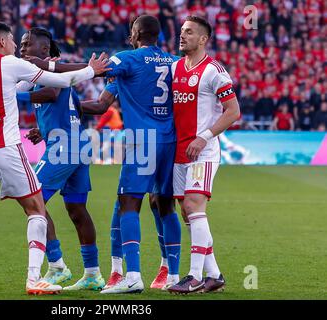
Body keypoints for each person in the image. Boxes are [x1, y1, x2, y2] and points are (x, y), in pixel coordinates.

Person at [0, 21, 110, 295]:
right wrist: (91, 71)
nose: (18, 46)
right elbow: (61, 81)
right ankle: (36, 277)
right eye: (15, 41)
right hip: (6, 147)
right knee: (36, 208)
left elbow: (19, 91)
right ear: (2, 43)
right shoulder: (11, 64)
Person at [98, 15, 181, 294]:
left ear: (135, 33)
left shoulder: (128, 59)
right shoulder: (174, 62)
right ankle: (173, 274)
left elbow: (99, 72)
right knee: (165, 205)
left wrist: (47, 71)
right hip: (170, 140)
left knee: (129, 203)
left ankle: (131, 276)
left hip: (142, 140)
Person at [18, 27, 105, 291]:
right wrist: (41, 129)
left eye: (26, 44)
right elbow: (65, 106)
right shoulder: (50, 72)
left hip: (64, 147)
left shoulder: (49, 71)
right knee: (77, 210)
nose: (21, 49)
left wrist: (11, 97)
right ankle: (92, 274)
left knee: (32, 200)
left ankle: (57, 266)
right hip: (76, 145)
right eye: (20, 45)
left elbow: (52, 94)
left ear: (44, 50)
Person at [168, 16, 240, 294]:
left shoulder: (214, 71)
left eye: (189, 32)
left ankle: (194, 276)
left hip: (204, 152)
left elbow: (233, 111)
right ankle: (214, 275)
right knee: (188, 215)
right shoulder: (175, 68)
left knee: (194, 207)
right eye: (182, 31)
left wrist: (204, 137)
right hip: (179, 152)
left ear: (203, 39)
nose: (182, 35)